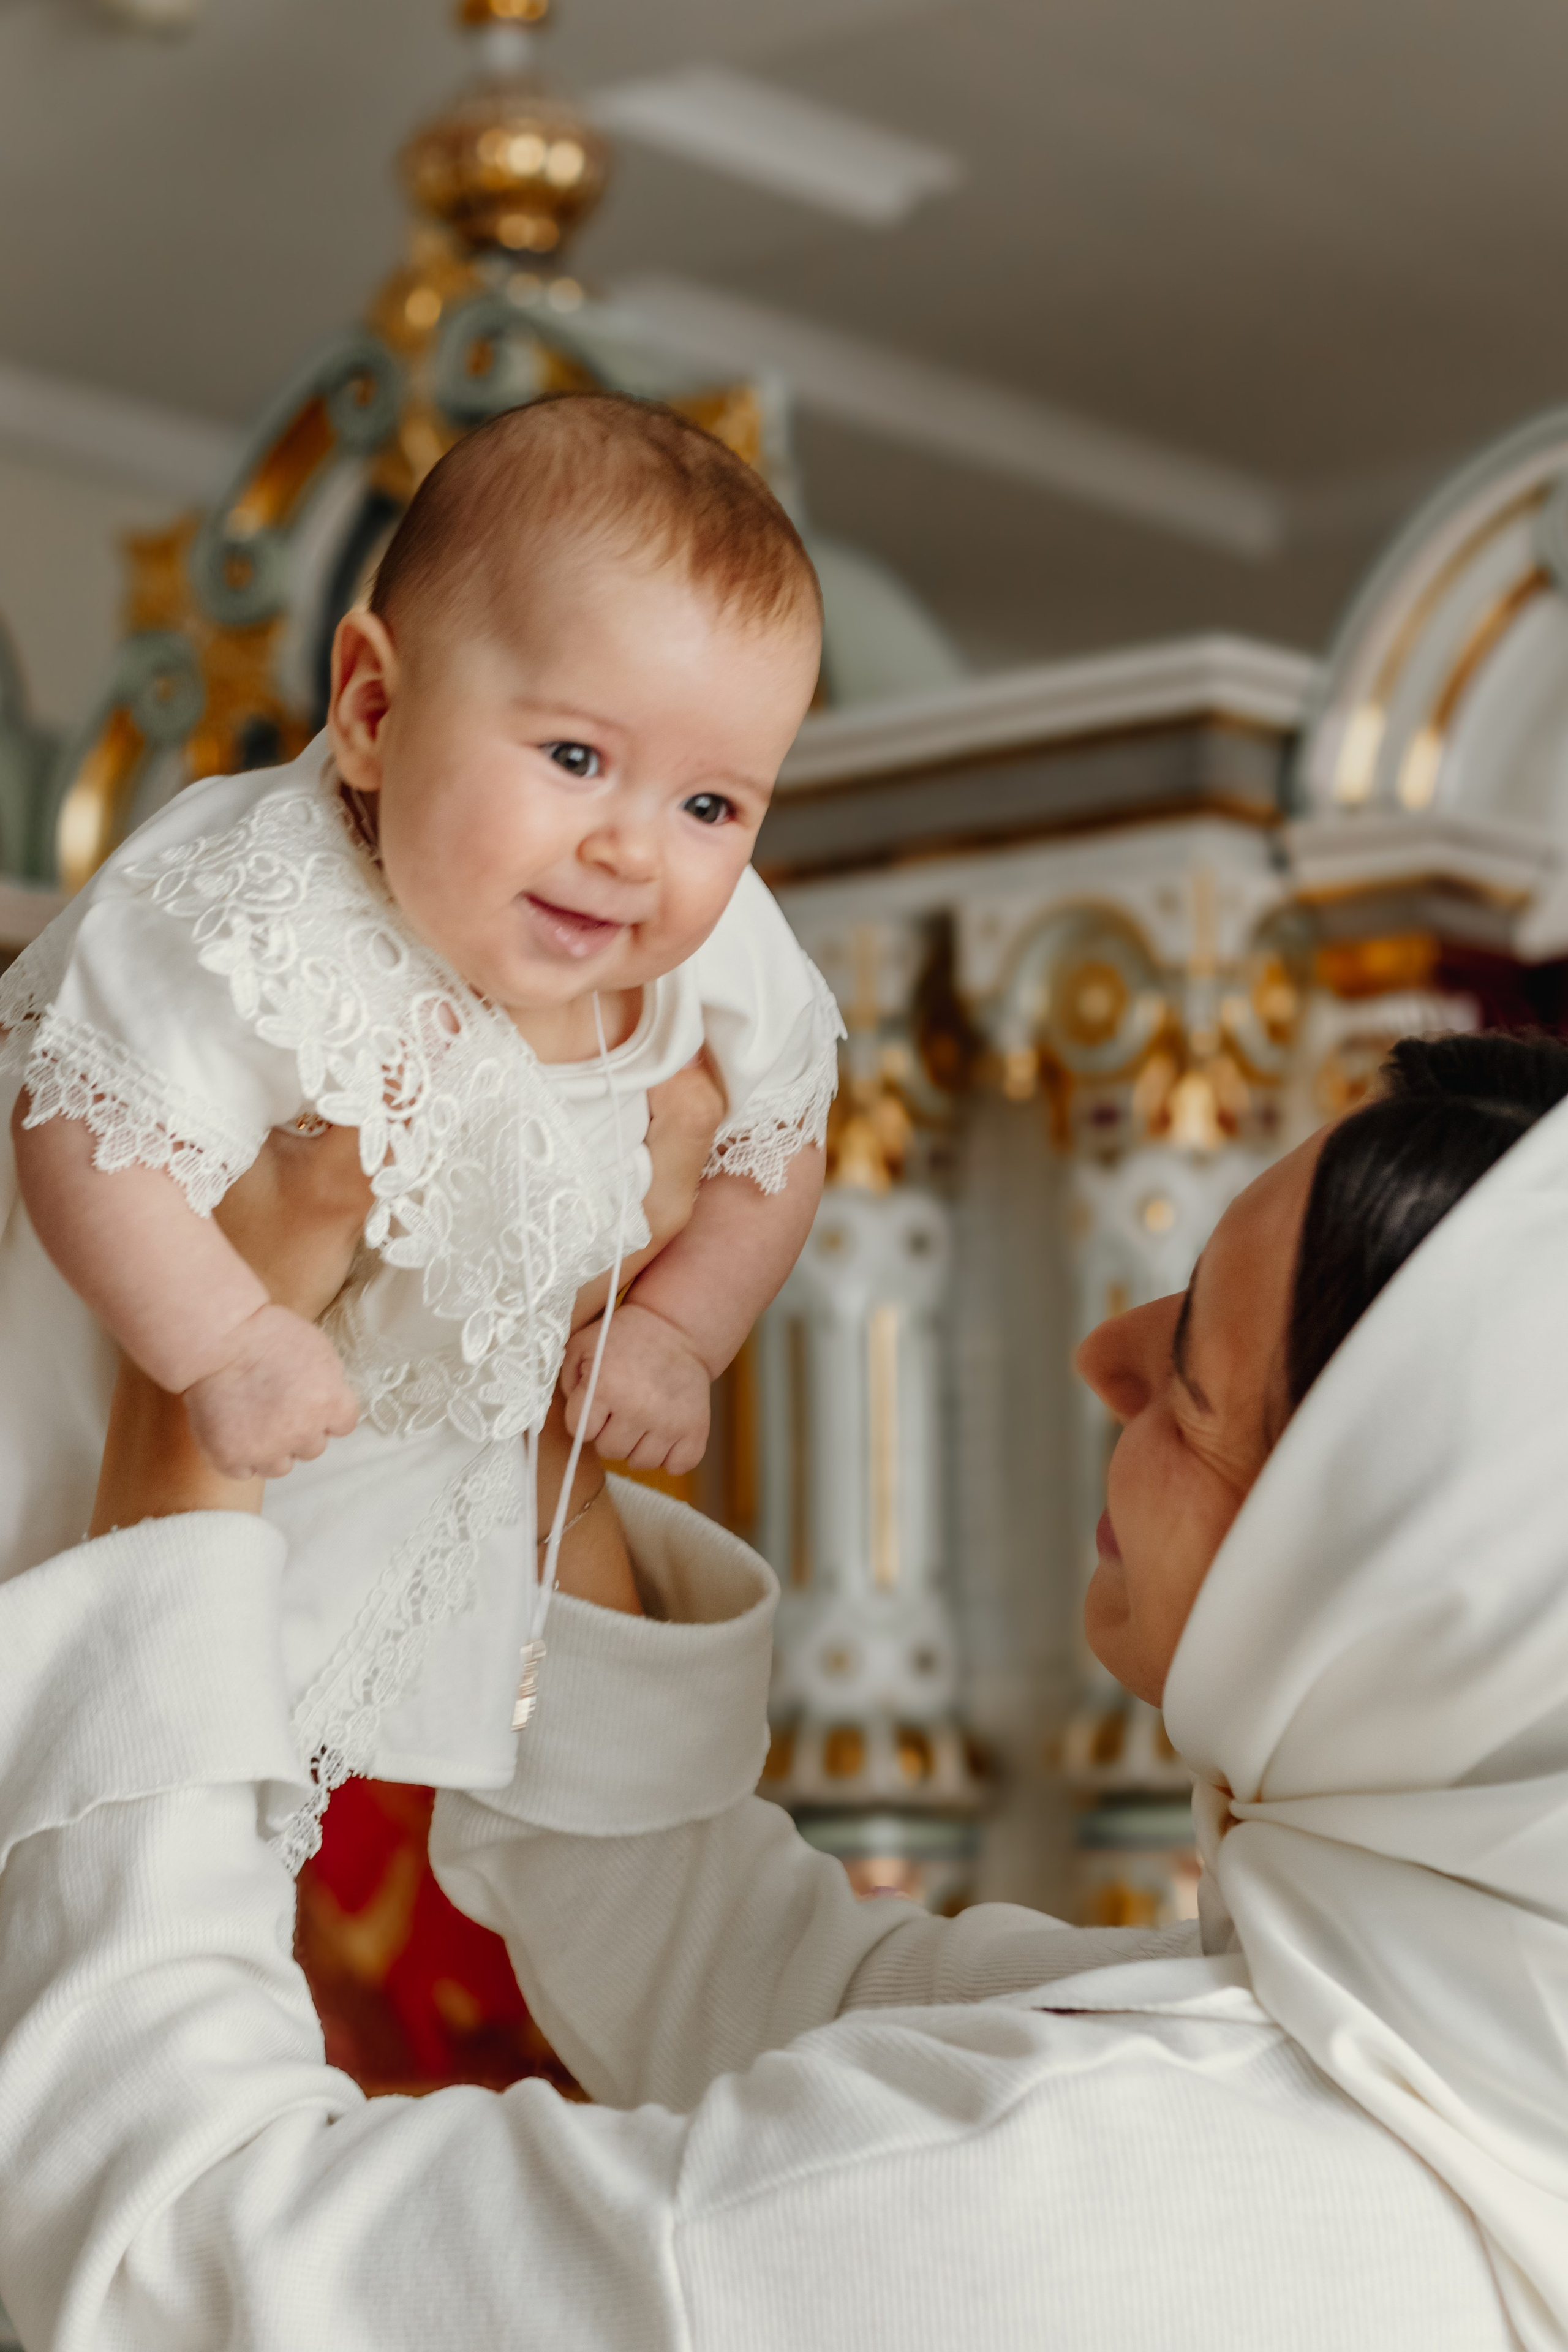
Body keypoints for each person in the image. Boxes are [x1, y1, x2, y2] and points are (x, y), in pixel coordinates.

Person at [2, 1028, 1566, 2350]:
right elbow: (765, 1987)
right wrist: (552, 1441)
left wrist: (187, 1435)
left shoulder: (1064, 2204)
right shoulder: (1455, 2058)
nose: (1106, 1352)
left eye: (1195, 1377)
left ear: (1377, 1592)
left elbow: (165, 2261)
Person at [0, 393, 837, 1862]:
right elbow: (81, 1133)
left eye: (712, 803)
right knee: (91, 1714)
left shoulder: (720, 953)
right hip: (114, 1437)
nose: (634, 848)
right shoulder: (251, 915)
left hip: (399, 1471)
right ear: (376, 712)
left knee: (293, 1777)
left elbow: (779, 1144)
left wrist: (677, 1330)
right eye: (574, 758)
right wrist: (221, 1339)